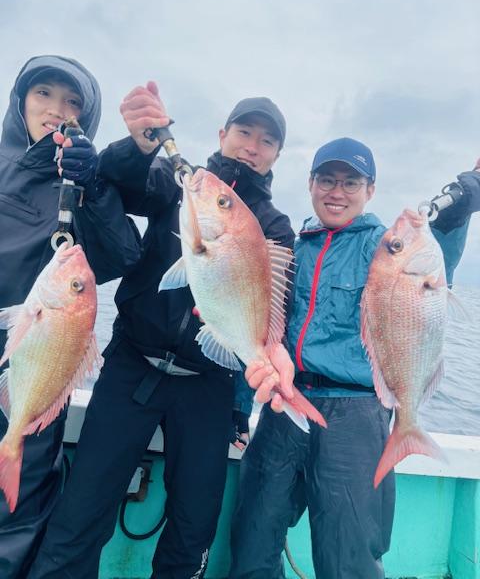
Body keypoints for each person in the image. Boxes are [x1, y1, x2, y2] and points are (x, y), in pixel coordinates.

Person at [27, 85, 295, 579]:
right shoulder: (180, 183)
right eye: (244, 132)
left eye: (267, 140)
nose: (252, 146)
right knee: (83, 506)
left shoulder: (275, 227)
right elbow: (123, 181)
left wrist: (246, 392)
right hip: (133, 362)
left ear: (277, 154)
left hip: (207, 382)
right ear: (223, 134)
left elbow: (269, 312)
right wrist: (139, 144)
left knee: (195, 523)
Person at [228, 137, 479, 579]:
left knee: (348, 554)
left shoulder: (384, 248)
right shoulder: (294, 247)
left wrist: (459, 208)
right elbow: (259, 328)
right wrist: (238, 406)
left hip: (357, 414)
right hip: (286, 404)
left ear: (370, 190)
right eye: (327, 180)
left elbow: (433, 261)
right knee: (253, 534)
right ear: (310, 183)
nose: (337, 192)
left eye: (351, 182)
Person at [0, 54, 142, 579]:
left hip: (36, 365)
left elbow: (122, 255)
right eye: (44, 94)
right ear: (20, 102)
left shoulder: (83, 186)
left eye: (72, 102)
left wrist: (94, 186)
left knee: (15, 510)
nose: (56, 110)